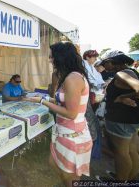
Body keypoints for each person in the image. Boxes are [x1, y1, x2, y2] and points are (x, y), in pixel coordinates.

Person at [30, 42, 92, 187]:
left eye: (52, 57)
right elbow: (62, 101)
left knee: (70, 177)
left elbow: (71, 113)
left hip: (73, 135)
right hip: (65, 132)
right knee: (54, 163)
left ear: (61, 57)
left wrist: (42, 101)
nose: (50, 60)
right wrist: (42, 99)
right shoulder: (70, 76)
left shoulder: (73, 79)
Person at [96, 50, 139, 181]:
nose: (104, 67)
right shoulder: (132, 71)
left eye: (105, 64)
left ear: (112, 61)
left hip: (122, 119)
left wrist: (122, 97)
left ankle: (120, 181)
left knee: (121, 153)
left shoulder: (122, 74)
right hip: (132, 117)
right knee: (131, 149)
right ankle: (128, 179)